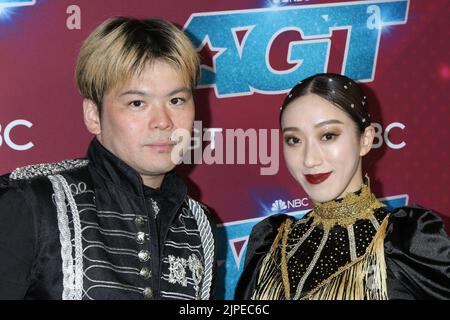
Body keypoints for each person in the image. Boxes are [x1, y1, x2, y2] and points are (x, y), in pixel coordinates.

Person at [0, 17, 216, 300]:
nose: (163, 122)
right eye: (137, 103)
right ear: (93, 115)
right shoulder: (31, 204)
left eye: (176, 101)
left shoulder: (198, 224)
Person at [235, 73, 450, 300]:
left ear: (365, 140)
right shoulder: (271, 243)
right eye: (294, 140)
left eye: (328, 136)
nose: (309, 159)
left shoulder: (409, 242)